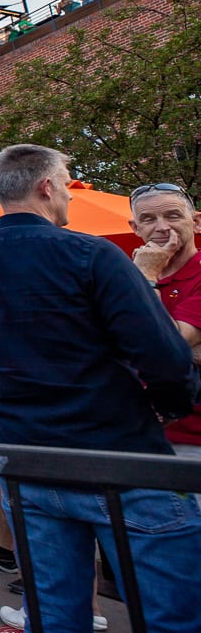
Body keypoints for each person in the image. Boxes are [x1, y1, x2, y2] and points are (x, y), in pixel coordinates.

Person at [0, 145, 201, 633]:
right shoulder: (92, 253)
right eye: (68, 184)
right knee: (173, 619)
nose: (70, 199)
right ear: (47, 187)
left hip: (28, 459)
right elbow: (164, 355)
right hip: (120, 456)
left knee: (55, 617)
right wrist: (169, 405)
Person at [130, 181, 201, 457]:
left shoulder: (139, 276)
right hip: (139, 435)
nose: (161, 227)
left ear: (195, 222)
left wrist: (146, 277)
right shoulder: (128, 274)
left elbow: (169, 342)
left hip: (193, 441)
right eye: (148, 219)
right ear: (136, 228)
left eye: (173, 215)